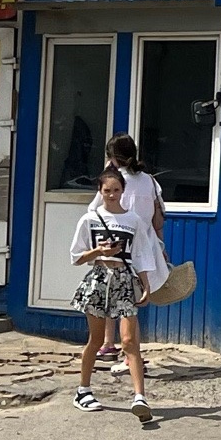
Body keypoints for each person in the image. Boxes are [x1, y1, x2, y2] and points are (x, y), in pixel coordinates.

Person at [69, 166, 166, 421]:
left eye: (116, 190)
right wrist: (98, 252)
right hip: (99, 278)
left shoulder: (133, 220)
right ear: (99, 192)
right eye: (106, 191)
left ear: (123, 191)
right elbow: (76, 257)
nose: (111, 195)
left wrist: (146, 284)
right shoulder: (89, 219)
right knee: (97, 339)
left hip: (125, 279)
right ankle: (83, 390)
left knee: (129, 340)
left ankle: (140, 397)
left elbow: (141, 255)